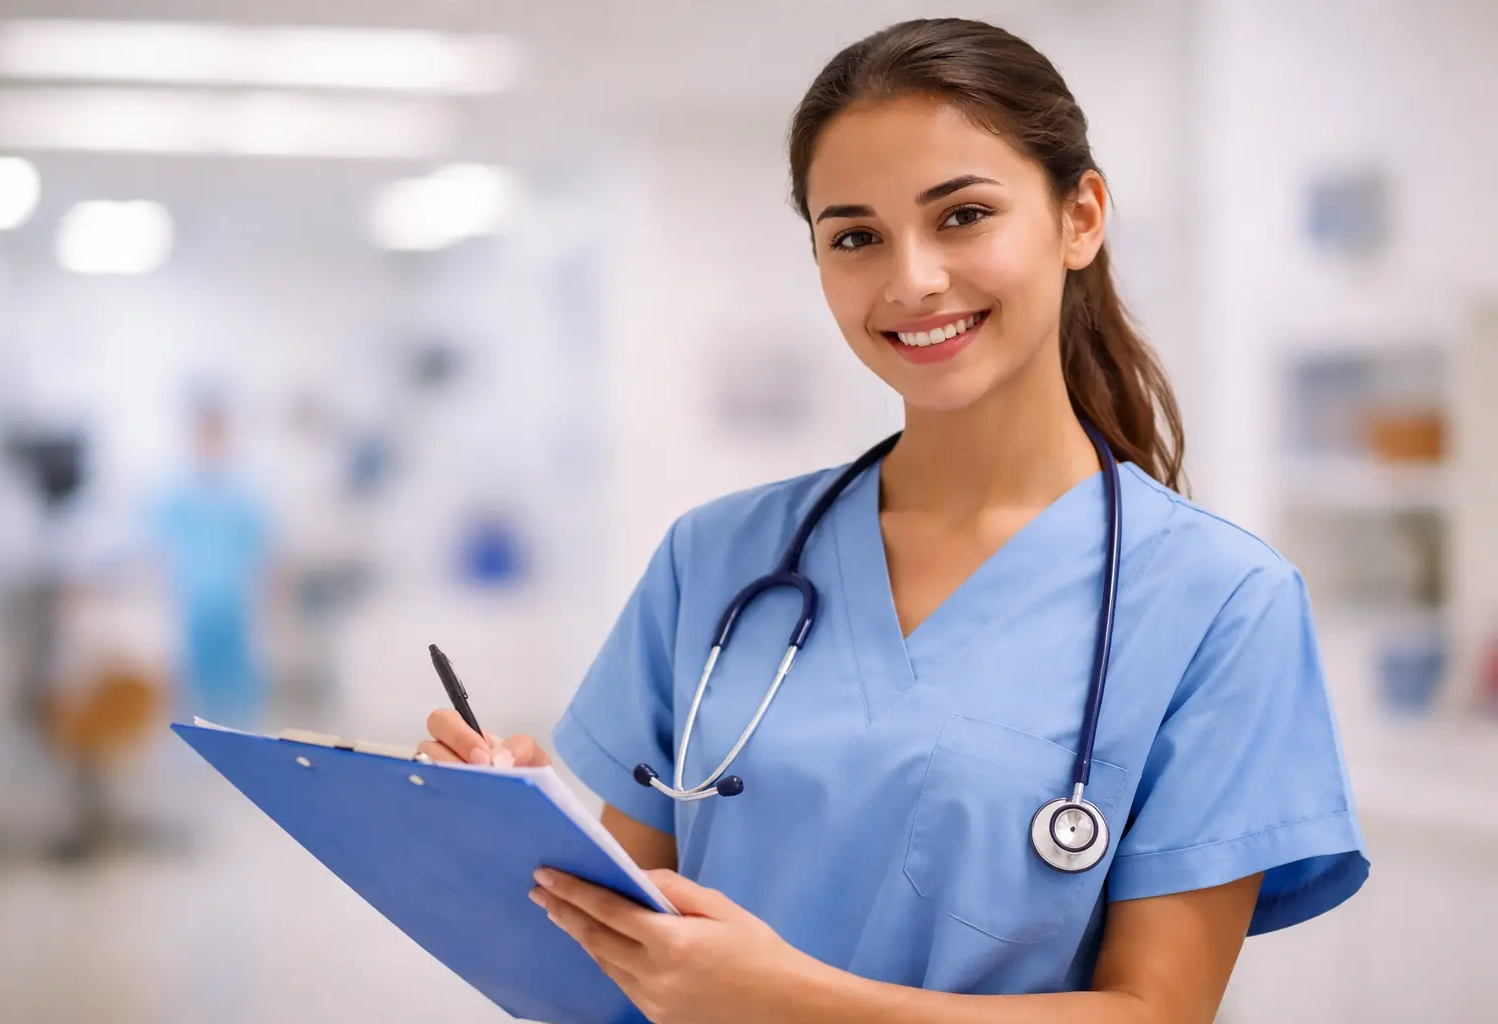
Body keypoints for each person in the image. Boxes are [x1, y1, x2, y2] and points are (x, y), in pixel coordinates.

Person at [419, 18, 1368, 1021]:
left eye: (961, 215)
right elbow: (615, 962)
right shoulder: (717, 558)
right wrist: (513, 840)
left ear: (1080, 216)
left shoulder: (1221, 604)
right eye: (856, 236)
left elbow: (1157, 1011)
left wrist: (786, 1001)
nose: (910, 279)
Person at [151, 399, 272, 729]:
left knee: (237, 679)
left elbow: (262, 552)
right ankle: (191, 743)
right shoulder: (177, 495)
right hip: (193, 600)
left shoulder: (244, 495)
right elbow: (157, 548)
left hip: (234, 601)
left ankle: (243, 741)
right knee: (191, 678)